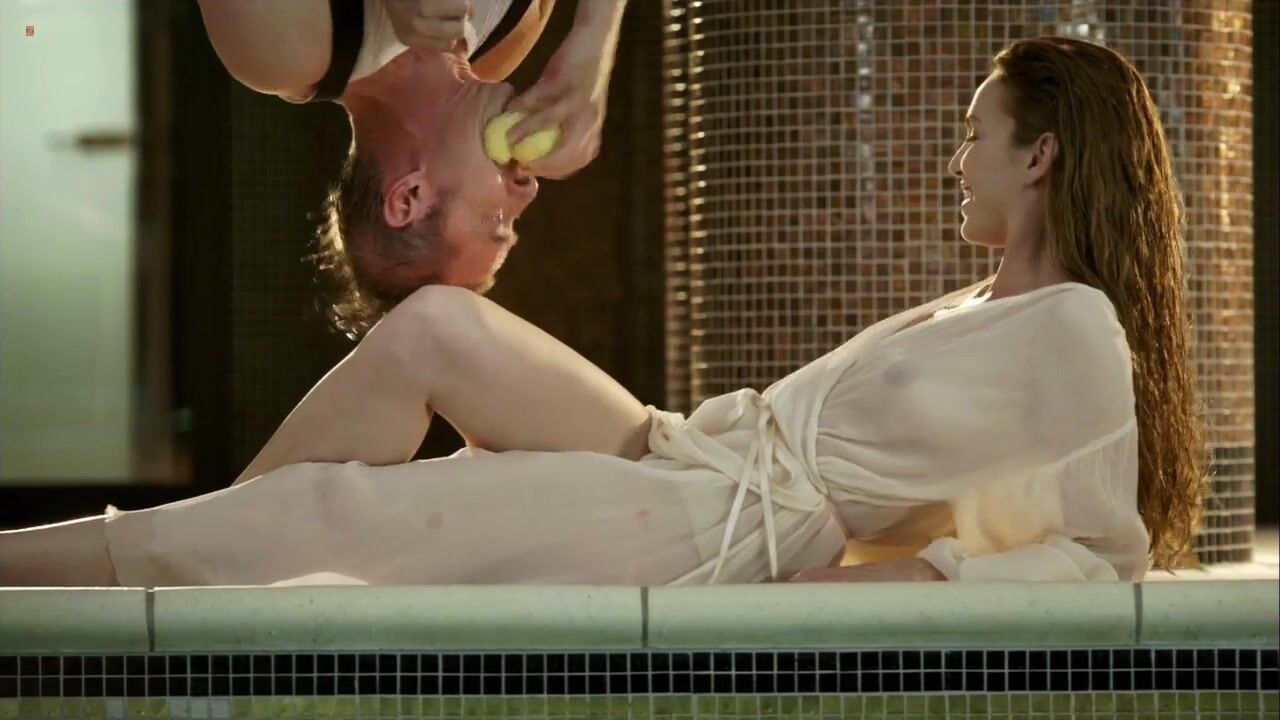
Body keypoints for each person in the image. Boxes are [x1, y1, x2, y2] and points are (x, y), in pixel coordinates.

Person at [0, 37, 1206, 587]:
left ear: (1039, 155)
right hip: (695, 459)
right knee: (432, 328)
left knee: (336, 510)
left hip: (716, 532)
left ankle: (88, 567)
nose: (953, 162)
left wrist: (877, 586)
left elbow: (1093, 557)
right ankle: (210, 550)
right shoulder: (984, 304)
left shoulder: (1071, 333)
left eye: (972, 137)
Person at [197, 0, 628, 335]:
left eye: (497, 220)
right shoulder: (506, 35)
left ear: (408, 198)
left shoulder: (280, 52)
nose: (530, 188)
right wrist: (593, 42)